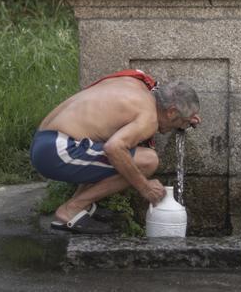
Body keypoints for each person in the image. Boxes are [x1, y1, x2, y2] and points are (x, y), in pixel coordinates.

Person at [30, 69, 201, 234]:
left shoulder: (137, 84)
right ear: (171, 112)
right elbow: (113, 148)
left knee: (112, 149)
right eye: (181, 122)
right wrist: (145, 187)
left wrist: (186, 118)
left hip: (45, 141)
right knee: (148, 161)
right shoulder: (148, 117)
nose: (178, 127)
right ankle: (71, 209)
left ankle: (83, 204)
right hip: (57, 151)